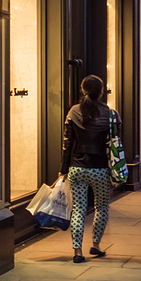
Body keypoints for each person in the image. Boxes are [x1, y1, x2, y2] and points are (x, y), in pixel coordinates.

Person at [60, 75, 117, 264]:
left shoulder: (73, 112)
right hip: (100, 168)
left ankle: (77, 251)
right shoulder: (110, 114)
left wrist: (63, 168)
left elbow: (67, 143)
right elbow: (115, 144)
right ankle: (96, 245)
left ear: (82, 90)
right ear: (101, 91)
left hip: (77, 167)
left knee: (78, 209)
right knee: (101, 207)